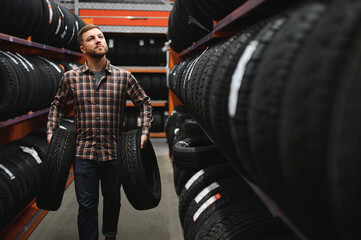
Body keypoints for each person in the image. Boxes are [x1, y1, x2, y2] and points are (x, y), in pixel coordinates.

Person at [46, 24, 153, 240]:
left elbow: (144, 103)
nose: (98, 40)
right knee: (87, 206)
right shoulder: (71, 78)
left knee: (113, 200)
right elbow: (57, 104)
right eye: (91, 38)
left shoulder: (124, 77)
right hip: (83, 153)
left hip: (114, 153)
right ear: (83, 48)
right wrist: (51, 130)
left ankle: (110, 235)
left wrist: (145, 130)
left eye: (100, 36)